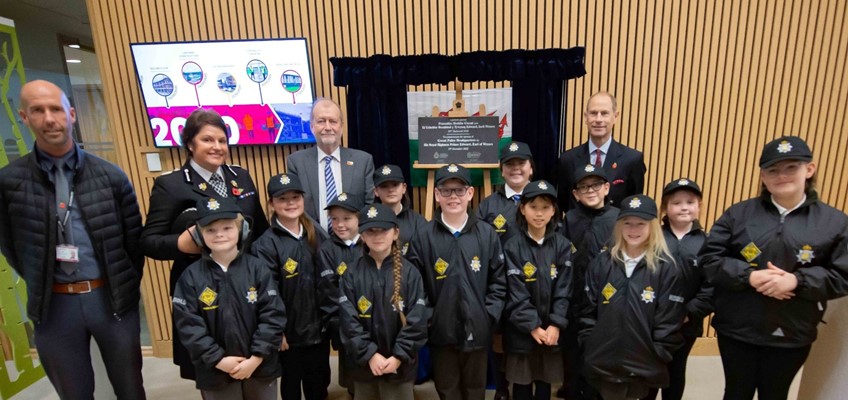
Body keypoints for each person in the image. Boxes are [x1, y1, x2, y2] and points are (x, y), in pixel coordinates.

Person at [0, 80, 146, 399]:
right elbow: (12, 245)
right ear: (24, 117)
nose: (49, 118)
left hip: (111, 301)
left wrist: (122, 286)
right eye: (38, 110)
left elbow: (134, 243)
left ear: (72, 114)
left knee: (130, 389)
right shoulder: (9, 182)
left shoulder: (111, 176)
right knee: (73, 392)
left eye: (56, 109)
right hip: (54, 305)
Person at [699, 136, 848, 400]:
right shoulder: (738, 214)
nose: (782, 175)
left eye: (791, 167)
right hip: (737, 327)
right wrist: (751, 277)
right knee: (735, 392)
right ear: (763, 177)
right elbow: (710, 260)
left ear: (809, 170)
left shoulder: (835, 223)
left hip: (792, 331)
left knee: (775, 393)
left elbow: (842, 276)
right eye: (773, 170)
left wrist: (796, 282)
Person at [141, 108, 269, 380]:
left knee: (254, 360)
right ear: (190, 143)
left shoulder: (241, 177)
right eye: (207, 140)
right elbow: (149, 242)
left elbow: (260, 230)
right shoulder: (171, 184)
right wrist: (181, 244)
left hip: (247, 282)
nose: (217, 147)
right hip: (201, 286)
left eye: (222, 140)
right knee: (213, 367)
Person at [406, 164, 507, 400]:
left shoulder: (487, 233)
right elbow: (414, 285)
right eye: (446, 190)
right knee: (447, 389)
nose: (453, 197)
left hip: (478, 331)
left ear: (470, 193)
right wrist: (429, 318)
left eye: (459, 190)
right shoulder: (423, 236)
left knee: (475, 391)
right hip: (441, 333)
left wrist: (488, 315)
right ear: (436, 195)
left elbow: (499, 282)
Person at [172, 198, 286, 399]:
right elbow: (189, 326)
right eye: (210, 230)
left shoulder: (258, 269)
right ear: (199, 236)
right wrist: (218, 360)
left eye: (227, 227)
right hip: (215, 370)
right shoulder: (190, 277)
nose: (219, 235)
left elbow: (273, 315)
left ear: (242, 230)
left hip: (260, 367)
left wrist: (256, 357)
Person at [579, 195, 685, 400]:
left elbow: (669, 319)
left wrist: (658, 352)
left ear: (652, 227)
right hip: (604, 361)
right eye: (627, 223)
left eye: (641, 224)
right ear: (619, 226)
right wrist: (591, 343)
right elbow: (587, 310)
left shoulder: (666, 268)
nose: (633, 230)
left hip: (644, 365)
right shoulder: (602, 263)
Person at [250, 173, 330, 400]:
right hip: (289, 335)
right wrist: (278, 331)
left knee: (318, 383)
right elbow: (267, 293)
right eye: (283, 198)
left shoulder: (316, 235)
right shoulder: (265, 244)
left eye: (295, 197)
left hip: (319, 329)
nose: (291, 203)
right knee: (291, 386)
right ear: (271, 204)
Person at [339, 203, 430, 399]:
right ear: (362, 236)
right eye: (370, 231)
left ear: (396, 233)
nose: (377, 236)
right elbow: (348, 322)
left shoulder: (411, 274)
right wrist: (370, 354)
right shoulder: (351, 274)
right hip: (364, 367)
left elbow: (418, 321)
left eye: (384, 230)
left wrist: (398, 357)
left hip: (400, 368)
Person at [503, 180, 573, 400]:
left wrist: (555, 323)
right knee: (522, 385)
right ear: (523, 209)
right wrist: (532, 325)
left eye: (545, 207)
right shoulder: (512, 246)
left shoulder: (562, 246)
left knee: (544, 383)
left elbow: (565, 289)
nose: (539, 213)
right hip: (522, 330)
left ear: (554, 211)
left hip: (552, 331)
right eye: (533, 207)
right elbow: (515, 292)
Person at [643, 178, 712, 400]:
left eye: (690, 202)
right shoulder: (652, 238)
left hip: (686, 322)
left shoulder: (707, 243)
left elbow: (711, 285)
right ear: (665, 207)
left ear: (699, 205)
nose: (683, 207)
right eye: (676, 202)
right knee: (650, 368)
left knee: (676, 368)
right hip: (652, 319)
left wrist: (689, 312)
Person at [558, 164, 619, 400]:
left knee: (598, 353)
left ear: (606, 188)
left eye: (595, 185)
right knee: (571, 354)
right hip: (573, 299)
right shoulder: (570, 219)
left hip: (604, 301)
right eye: (583, 186)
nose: (590, 190)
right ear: (575, 194)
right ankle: (572, 390)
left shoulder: (618, 220)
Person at [287, 98, 375, 232]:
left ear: (341, 126)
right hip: (312, 243)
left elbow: (369, 203)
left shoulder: (363, 161)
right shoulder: (296, 162)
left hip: (354, 243)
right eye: (321, 121)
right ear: (312, 126)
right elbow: (296, 206)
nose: (327, 127)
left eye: (333, 121)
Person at [556, 92, 646, 213]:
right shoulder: (567, 159)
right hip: (577, 230)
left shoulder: (632, 159)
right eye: (593, 113)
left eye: (604, 113)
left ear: (615, 116)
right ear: (586, 117)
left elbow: (633, 205)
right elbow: (563, 203)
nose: (598, 119)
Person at [316, 192, 366, 391]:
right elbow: (329, 291)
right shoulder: (326, 250)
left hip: (375, 320)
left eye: (347, 218)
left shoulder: (370, 243)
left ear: (359, 218)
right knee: (355, 378)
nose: (340, 224)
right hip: (346, 324)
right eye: (334, 219)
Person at [477, 141, 535, 245]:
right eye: (509, 164)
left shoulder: (544, 201)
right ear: (502, 171)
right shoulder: (488, 205)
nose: (516, 168)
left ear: (531, 168)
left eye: (521, 163)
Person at [373, 164, 427, 256]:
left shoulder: (418, 222)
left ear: (404, 188)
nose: (390, 190)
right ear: (376, 191)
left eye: (395, 185)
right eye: (384, 186)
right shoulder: (369, 221)